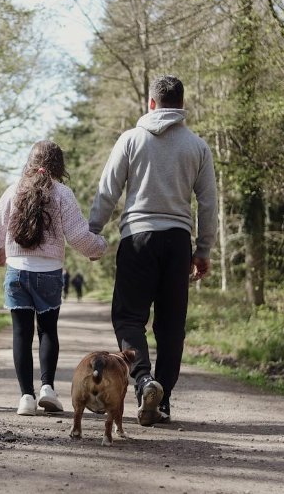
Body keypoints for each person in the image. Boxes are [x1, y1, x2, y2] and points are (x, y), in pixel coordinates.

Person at [88, 75, 217, 426]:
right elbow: (208, 204)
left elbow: (107, 190)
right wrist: (203, 249)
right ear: (181, 104)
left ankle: (144, 380)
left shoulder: (130, 139)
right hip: (177, 241)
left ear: (151, 103)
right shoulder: (197, 146)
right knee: (171, 324)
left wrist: (92, 233)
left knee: (129, 317)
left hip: (138, 239)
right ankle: (164, 400)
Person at [0, 140, 107, 416]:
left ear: (29, 162)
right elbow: (77, 235)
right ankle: (47, 389)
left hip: (17, 271)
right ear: (58, 166)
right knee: (48, 330)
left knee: (21, 333)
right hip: (49, 273)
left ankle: (26, 397)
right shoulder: (62, 193)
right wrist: (98, 248)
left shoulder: (14, 190)